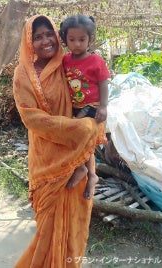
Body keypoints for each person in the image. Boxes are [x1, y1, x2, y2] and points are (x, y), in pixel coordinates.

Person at [13, 15, 103, 267]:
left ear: (57, 36)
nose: (45, 41)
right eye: (38, 37)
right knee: (47, 229)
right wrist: (79, 128)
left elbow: (88, 97)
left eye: (48, 34)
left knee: (73, 225)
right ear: (29, 42)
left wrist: (87, 126)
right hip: (47, 161)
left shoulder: (68, 65)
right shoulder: (23, 75)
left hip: (77, 157)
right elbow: (31, 117)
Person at [58, 15, 110, 199]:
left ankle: (80, 168)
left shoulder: (96, 61)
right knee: (85, 143)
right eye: (72, 40)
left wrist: (103, 106)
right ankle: (92, 175)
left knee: (73, 129)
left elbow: (104, 84)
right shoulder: (65, 60)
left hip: (92, 106)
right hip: (76, 106)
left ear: (90, 39)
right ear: (65, 40)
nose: (77, 44)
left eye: (82, 40)